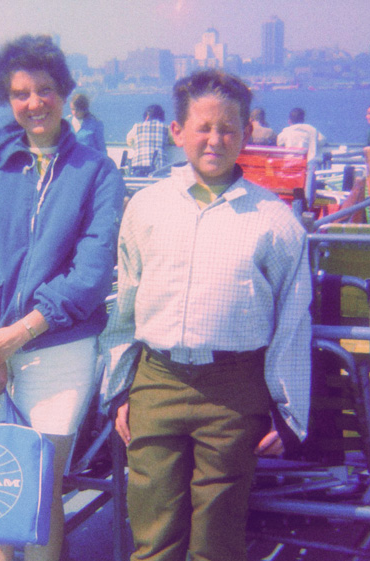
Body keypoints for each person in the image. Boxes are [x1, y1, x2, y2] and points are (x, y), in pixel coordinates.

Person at [101, 69, 312, 561]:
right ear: (177, 132)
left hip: (233, 392)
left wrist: (287, 413)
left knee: (216, 543)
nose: (215, 139)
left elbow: (293, 323)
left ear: (246, 135)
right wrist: (119, 389)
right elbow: (126, 307)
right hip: (157, 379)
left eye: (228, 129)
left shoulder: (275, 221)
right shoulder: (146, 207)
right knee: (153, 537)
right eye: (203, 127)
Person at [0, 34, 124, 561]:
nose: (34, 103)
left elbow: (91, 272)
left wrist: (17, 336)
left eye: (44, 90)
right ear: (7, 99)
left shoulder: (97, 173)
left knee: (39, 487)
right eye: (20, 93)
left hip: (57, 347)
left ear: (64, 93)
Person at [126, 104, 168, 176]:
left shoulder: (137, 126)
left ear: (146, 116)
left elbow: (129, 141)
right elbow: (173, 140)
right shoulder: (166, 128)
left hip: (139, 163)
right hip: (159, 166)